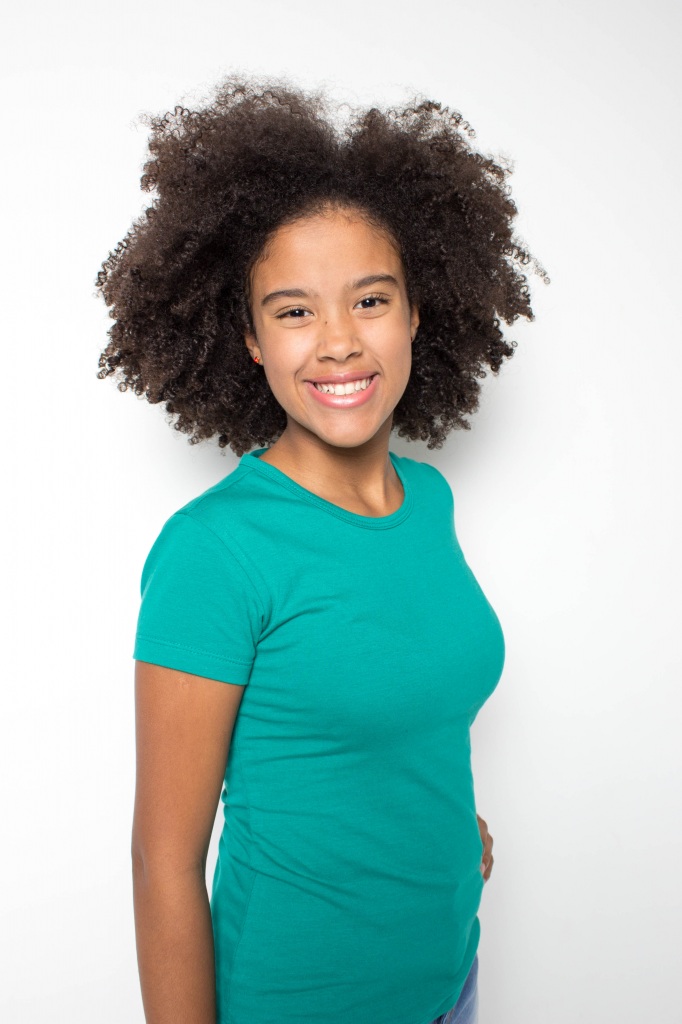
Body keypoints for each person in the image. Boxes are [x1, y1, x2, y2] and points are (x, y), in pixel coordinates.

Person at [96, 75, 546, 1024]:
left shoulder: (429, 500)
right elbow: (162, 861)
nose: (339, 342)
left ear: (417, 311)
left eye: (370, 299)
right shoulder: (215, 551)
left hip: (450, 981)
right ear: (252, 340)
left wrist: (440, 830)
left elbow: (394, 704)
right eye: (295, 311)